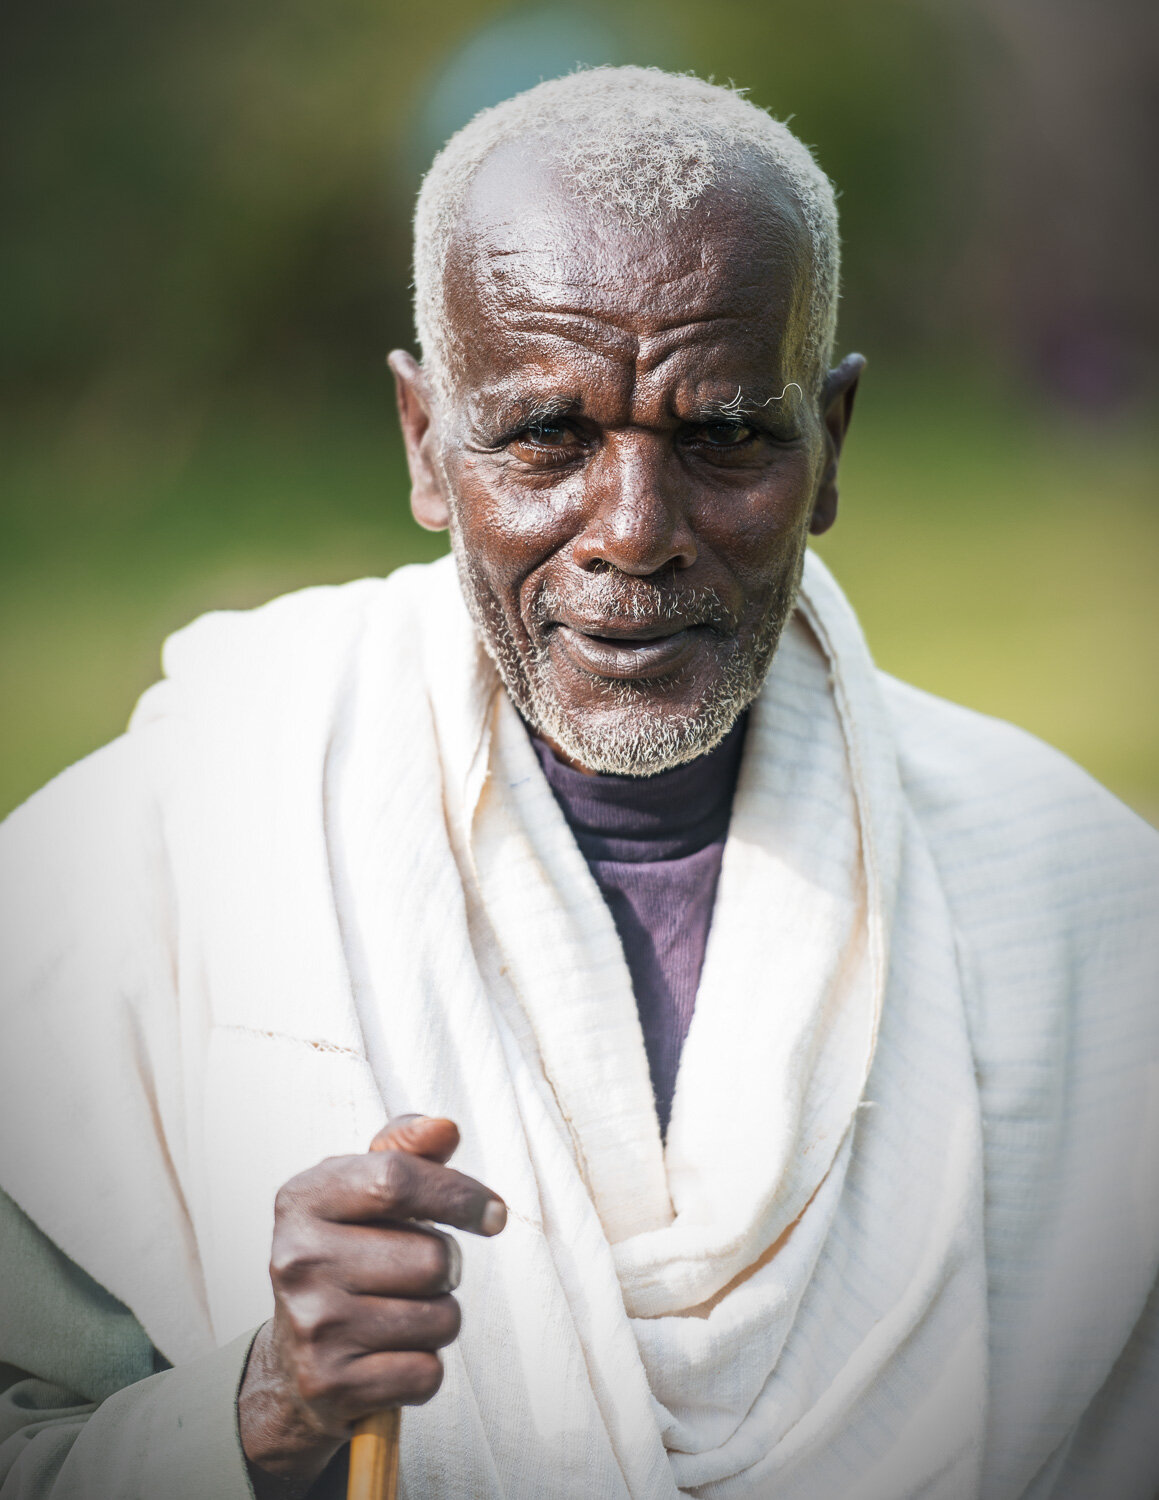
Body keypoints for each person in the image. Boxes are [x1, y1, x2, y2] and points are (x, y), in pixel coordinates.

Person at [0, 65, 1156, 1500]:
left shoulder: (1082, 917)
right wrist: (266, 1407)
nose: (634, 531)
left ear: (832, 444)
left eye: (725, 434)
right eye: (546, 436)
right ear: (428, 442)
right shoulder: (140, 874)